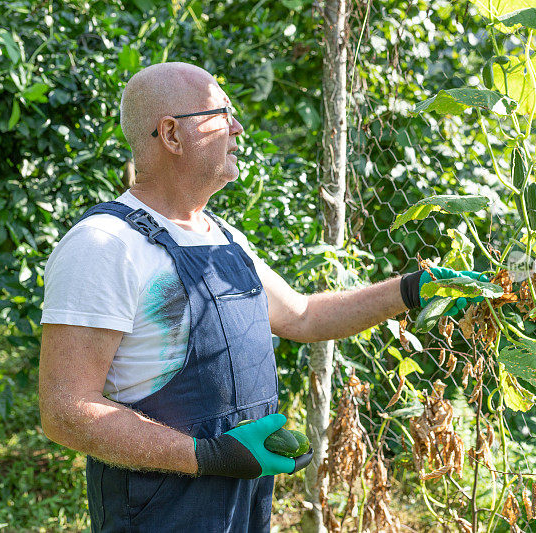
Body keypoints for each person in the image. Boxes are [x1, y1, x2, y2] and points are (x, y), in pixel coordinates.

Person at [38, 61, 482, 532]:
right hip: (159, 515)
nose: (238, 127)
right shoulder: (105, 245)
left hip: (241, 510)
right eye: (222, 113)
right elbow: (66, 411)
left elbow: (305, 317)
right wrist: (205, 456)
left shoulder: (223, 240)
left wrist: (411, 289)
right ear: (171, 135)